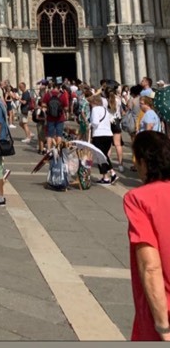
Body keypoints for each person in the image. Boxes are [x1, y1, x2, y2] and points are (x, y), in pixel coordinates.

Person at [123, 131, 170, 341]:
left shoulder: (139, 199)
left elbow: (150, 266)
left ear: (143, 162)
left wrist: (163, 327)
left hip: (162, 312)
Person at [88, 94, 119, 185]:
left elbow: (95, 123)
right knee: (104, 155)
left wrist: (90, 124)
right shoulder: (105, 110)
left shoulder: (94, 109)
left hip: (99, 135)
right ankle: (109, 175)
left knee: (101, 156)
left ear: (93, 102)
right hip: (108, 134)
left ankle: (109, 175)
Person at [43, 82, 70, 148]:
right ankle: (58, 149)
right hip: (60, 117)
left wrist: (48, 109)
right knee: (59, 135)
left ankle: (48, 149)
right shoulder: (62, 95)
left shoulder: (47, 94)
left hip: (50, 117)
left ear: (53, 87)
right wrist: (62, 110)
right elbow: (66, 107)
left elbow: (43, 105)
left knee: (49, 135)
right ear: (59, 88)